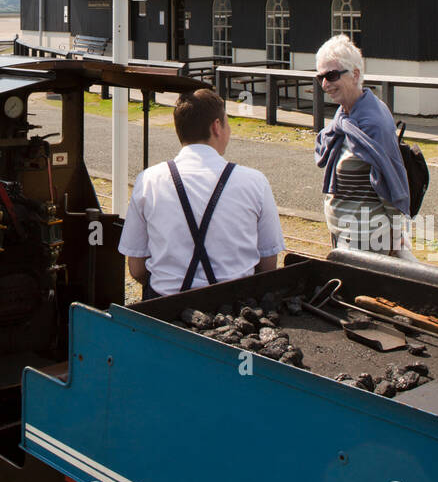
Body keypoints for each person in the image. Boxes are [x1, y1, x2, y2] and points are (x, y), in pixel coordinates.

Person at [119, 88, 284, 299]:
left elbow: (137, 268)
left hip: (162, 309)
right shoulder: (255, 181)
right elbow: (268, 264)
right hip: (237, 310)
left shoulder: (148, 180)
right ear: (216, 126)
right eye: (227, 122)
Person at [313, 35, 413, 258]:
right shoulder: (344, 117)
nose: (325, 84)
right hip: (345, 233)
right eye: (320, 77)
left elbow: (390, 182)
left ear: (355, 74)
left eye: (331, 75)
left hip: (367, 239)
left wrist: (397, 237)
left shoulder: (372, 123)